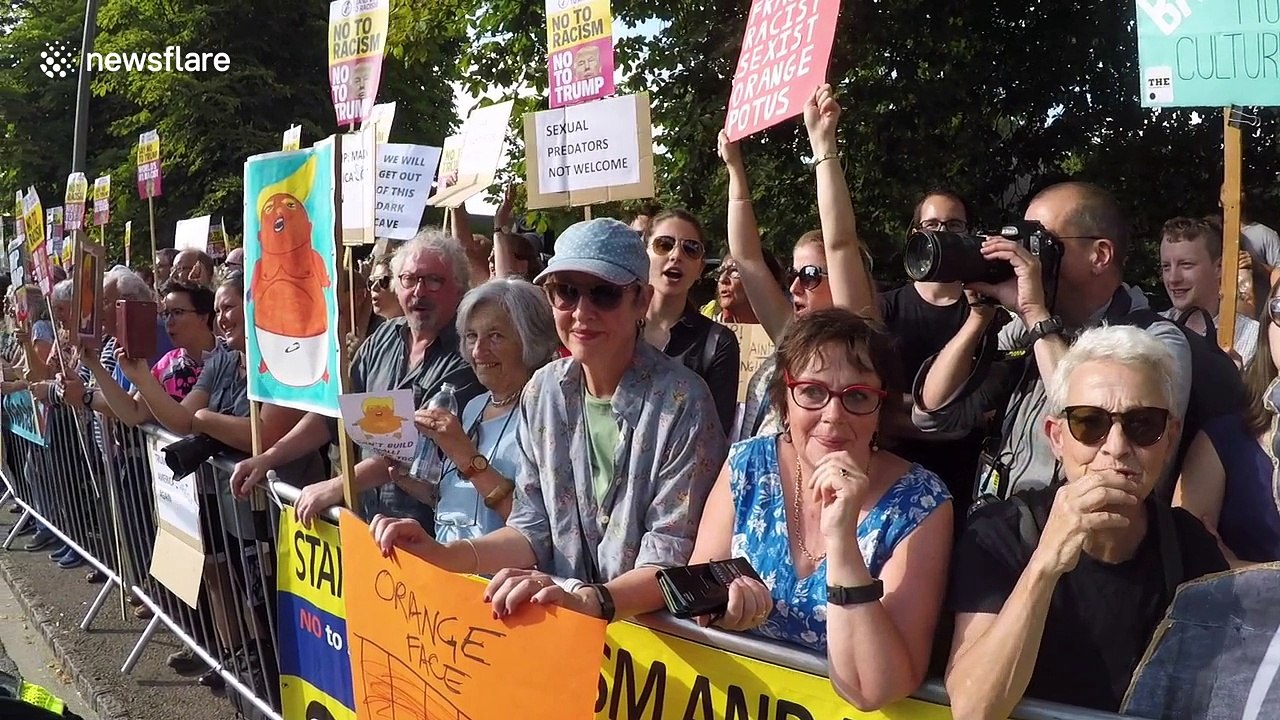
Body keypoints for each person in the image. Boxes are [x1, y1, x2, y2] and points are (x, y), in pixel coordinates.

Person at [369, 218, 727, 622]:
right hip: (560, 629)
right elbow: (531, 527)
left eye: (604, 294)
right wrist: (441, 555)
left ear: (641, 301)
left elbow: (673, 555)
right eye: (565, 292)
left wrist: (590, 601)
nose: (581, 312)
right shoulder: (545, 389)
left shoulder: (683, 401)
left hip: (648, 650)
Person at [945, 325, 1228, 716]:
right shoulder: (1001, 533)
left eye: (1142, 424)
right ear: (1057, 438)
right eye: (1090, 423)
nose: (1116, 448)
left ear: (1169, 438)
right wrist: (1044, 566)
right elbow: (974, 708)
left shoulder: (1188, 546)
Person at [689, 309, 952, 710]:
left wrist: (843, 539)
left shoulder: (922, 503)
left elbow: (876, 687)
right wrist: (722, 609)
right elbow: (696, 594)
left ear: (881, 409)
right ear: (785, 397)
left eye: (858, 397)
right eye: (812, 391)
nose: (833, 415)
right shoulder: (747, 465)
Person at [914, 182, 1193, 500]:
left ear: (1099, 255)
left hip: (1069, 536)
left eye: (1039, 242)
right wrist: (980, 317)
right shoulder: (1028, 330)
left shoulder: (1155, 343)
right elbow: (933, 415)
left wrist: (1035, 315)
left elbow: (1083, 415)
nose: (1023, 256)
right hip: (996, 533)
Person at [233, 230, 480, 533]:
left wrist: (335, 486)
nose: (419, 291)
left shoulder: (469, 354)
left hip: (429, 532)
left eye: (433, 280)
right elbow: (334, 416)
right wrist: (268, 458)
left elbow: (415, 447)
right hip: (369, 522)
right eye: (408, 279)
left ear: (458, 288)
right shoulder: (384, 338)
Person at [297, 278, 558, 541]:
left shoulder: (544, 415)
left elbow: (532, 527)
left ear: (530, 340)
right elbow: (455, 503)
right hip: (450, 572)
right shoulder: (475, 408)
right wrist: (405, 479)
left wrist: (464, 453)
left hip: (500, 578)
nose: (479, 350)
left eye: (496, 336)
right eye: (471, 336)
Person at [717, 85, 877, 441]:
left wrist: (823, 146)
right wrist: (735, 169)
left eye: (809, 275)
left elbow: (840, 243)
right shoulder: (791, 338)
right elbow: (746, 258)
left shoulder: (858, 344)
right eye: (793, 274)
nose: (793, 287)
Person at [878, 190, 985, 517]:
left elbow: (983, 415)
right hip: (888, 481)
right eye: (933, 224)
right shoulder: (886, 309)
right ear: (916, 234)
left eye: (954, 225)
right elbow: (872, 405)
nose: (943, 234)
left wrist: (901, 409)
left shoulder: (988, 312)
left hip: (963, 486)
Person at [1174, 276, 1280, 564]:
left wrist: (1244, 570)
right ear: (1267, 327)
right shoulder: (1223, 439)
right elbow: (1188, 555)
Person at [642, 209, 740, 435]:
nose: (676, 255)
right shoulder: (616, 328)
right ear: (643, 254)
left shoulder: (718, 343)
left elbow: (714, 435)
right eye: (664, 245)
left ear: (701, 268)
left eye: (690, 249)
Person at [84, 279, 223, 425]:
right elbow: (134, 413)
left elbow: (187, 421)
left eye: (177, 312)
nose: (169, 321)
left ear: (203, 316)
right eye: (166, 314)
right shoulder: (166, 364)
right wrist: (94, 365)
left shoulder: (232, 356)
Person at [1159, 216, 1258, 365]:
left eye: (1186, 265)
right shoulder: (1152, 329)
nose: (1173, 278)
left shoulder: (1252, 337)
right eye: (1166, 266)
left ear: (1219, 268)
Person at [705, 253, 782, 324]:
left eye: (734, 271)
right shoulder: (707, 330)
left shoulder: (785, 330)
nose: (722, 279)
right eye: (720, 272)